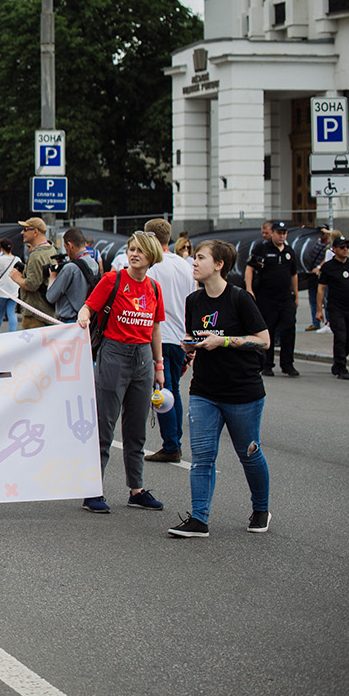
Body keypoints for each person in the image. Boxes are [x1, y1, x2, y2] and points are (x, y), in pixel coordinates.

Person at [169, 240, 272, 538]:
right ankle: (199, 518)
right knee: (202, 456)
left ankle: (261, 508)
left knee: (249, 453)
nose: (194, 263)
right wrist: (189, 345)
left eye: (200, 258)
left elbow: (263, 340)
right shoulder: (193, 301)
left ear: (219, 265)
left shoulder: (240, 298)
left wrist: (224, 340)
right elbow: (195, 333)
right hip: (204, 390)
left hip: (242, 391)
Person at [76, 231, 167, 514]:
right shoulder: (112, 280)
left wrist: (159, 365)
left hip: (142, 359)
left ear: (151, 256)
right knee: (105, 425)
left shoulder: (153, 287)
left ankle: (136, 489)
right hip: (114, 354)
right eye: (131, 249)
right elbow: (89, 306)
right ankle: (93, 491)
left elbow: (155, 328)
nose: (133, 253)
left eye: (140, 250)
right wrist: (83, 315)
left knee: (136, 429)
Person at [143, 219, 197, 464]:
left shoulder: (153, 267)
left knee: (162, 391)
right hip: (180, 336)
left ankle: (171, 444)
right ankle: (174, 441)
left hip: (159, 336)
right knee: (172, 390)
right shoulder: (184, 266)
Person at [245, 220, 299, 377]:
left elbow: (293, 274)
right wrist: (249, 289)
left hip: (285, 297)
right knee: (268, 329)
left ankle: (288, 364)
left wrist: (295, 294)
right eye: (279, 233)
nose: (282, 236)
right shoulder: (262, 249)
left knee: (289, 328)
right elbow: (250, 268)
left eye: (284, 233)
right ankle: (267, 364)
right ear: (273, 233)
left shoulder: (289, 251)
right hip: (267, 297)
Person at [315, 236, 349, 380]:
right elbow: (321, 289)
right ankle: (341, 367)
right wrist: (319, 310)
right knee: (341, 336)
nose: (345, 250)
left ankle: (338, 360)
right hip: (336, 308)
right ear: (335, 249)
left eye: (347, 247)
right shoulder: (328, 267)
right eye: (342, 247)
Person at [9, 217, 56, 329]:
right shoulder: (51, 249)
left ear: (35, 231)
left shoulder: (36, 256)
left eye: (25, 229)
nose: (22, 232)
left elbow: (31, 285)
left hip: (35, 314)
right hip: (49, 311)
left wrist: (17, 278)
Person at [45, 227, 98, 324]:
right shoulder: (94, 264)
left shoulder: (70, 268)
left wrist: (52, 277)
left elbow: (50, 297)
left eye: (65, 247)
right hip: (86, 319)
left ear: (70, 246)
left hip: (69, 321)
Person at [0, 238, 21, 333]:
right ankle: (12, 333)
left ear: (1, 248)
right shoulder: (17, 259)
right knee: (11, 312)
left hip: (0, 290)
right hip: (13, 289)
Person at [305, 225, 332, 331]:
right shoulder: (314, 242)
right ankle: (315, 322)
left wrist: (319, 267)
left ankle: (328, 322)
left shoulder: (329, 245)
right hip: (312, 276)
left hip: (323, 275)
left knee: (325, 299)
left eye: (323, 232)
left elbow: (328, 257)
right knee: (313, 299)